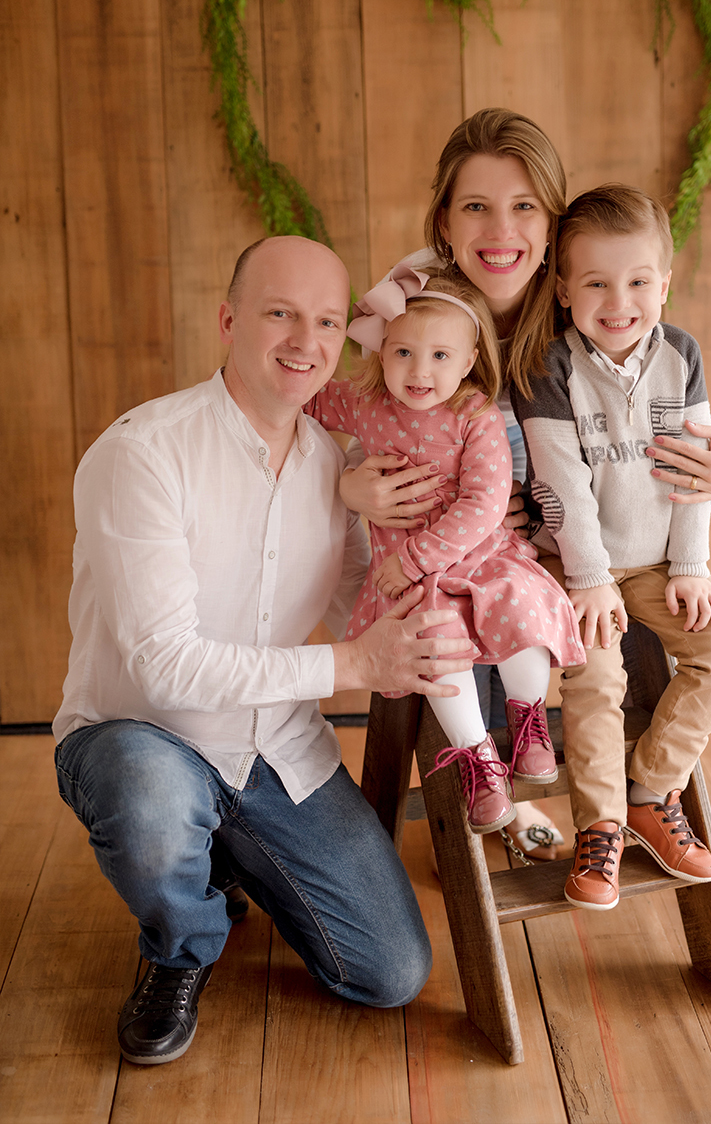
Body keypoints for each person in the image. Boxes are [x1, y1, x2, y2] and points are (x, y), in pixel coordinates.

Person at [52, 235, 477, 1066]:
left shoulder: (337, 466)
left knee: (390, 972)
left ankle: (225, 846)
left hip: (274, 750)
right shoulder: (143, 453)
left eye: (325, 320)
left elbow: (362, 598)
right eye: (280, 313)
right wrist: (354, 667)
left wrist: (467, 586)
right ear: (228, 320)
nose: (304, 342)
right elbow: (164, 665)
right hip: (142, 734)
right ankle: (181, 943)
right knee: (149, 793)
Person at [340, 108, 711, 857]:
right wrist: (349, 489)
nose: (502, 230)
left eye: (525, 206)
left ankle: (596, 801)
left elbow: (659, 410)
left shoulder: (585, 301)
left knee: (539, 622)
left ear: (553, 225)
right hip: (438, 548)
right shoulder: (418, 300)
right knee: (470, 636)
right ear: (443, 221)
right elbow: (365, 411)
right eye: (476, 207)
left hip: (555, 548)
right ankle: (500, 811)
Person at [511, 184, 711, 909]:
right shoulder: (549, 367)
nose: (620, 300)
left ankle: (650, 787)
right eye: (596, 282)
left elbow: (695, 468)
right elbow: (560, 484)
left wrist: (690, 567)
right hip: (580, 564)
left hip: (655, 561)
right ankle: (601, 827)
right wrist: (586, 578)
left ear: (664, 284)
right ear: (561, 289)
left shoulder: (681, 355)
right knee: (596, 675)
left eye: (639, 281)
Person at [305, 265, 584, 833]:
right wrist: (335, 475)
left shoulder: (473, 414)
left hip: (482, 556)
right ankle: (479, 760)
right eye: (403, 352)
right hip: (414, 582)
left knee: (520, 600)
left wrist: (415, 555)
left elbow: (484, 504)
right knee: (431, 639)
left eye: (439, 356)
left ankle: (528, 718)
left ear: (468, 357)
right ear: (381, 351)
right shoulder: (365, 404)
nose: (419, 371)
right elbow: (304, 399)